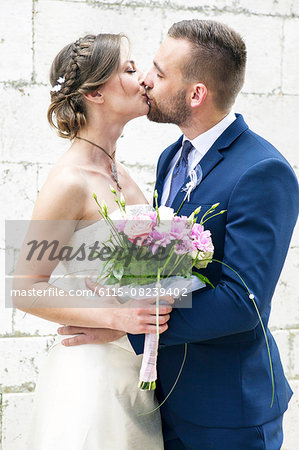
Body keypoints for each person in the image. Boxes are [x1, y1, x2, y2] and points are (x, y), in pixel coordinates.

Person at [59, 20, 299, 449]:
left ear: (196, 95)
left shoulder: (263, 172)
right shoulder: (171, 157)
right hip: (163, 400)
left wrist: (128, 329)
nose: (146, 80)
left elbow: (240, 302)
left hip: (229, 411)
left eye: (159, 72)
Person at [13, 33, 173, 449]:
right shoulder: (70, 181)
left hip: (136, 376)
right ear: (95, 93)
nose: (144, 80)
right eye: (129, 69)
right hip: (91, 380)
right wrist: (117, 319)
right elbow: (24, 288)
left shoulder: (123, 173)